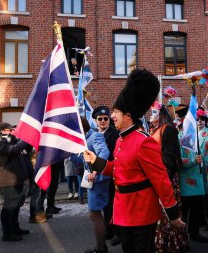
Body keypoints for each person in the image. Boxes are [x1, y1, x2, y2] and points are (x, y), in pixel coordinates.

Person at [83, 69, 184, 253]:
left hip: (141, 211)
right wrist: (96, 161)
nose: (113, 116)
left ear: (128, 116)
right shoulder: (121, 139)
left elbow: (160, 179)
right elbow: (117, 170)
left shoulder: (143, 141)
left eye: (116, 112)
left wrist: (173, 213)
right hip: (123, 209)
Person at [150, 102, 189, 253]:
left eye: (154, 112)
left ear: (161, 114)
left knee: (168, 213)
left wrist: (164, 177)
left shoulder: (168, 130)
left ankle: (172, 244)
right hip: (157, 177)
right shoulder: (155, 129)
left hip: (165, 177)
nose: (151, 114)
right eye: (151, 111)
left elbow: (171, 157)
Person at [77, 117, 110, 253]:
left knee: (95, 214)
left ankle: (101, 248)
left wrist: (95, 171)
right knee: (94, 214)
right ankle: (101, 246)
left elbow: (104, 153)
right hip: (94, 179)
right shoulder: (85, 139)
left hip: (98, 179)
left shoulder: (95, 136)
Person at [0, 122, 32, 241]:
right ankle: (7, 233)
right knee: (9, 206)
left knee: (16, 206)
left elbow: (26, 148)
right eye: (10, 130)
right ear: (2, 131)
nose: (13, 132)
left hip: (18, 178)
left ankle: (15, 227)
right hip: (7, 180)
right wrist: (24, 139)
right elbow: (13, 150)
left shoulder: (12, 140)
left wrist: (28, 138)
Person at [92, 105, 121, 246]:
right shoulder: (94, 134)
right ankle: (108, 230)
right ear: (96, 121)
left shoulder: (114, 134)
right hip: (100, 174)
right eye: (100, 119)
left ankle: (117, 233)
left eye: (105, 118)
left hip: (111, 173)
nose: (103, 121)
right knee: (105, 205)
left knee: (112, 205)